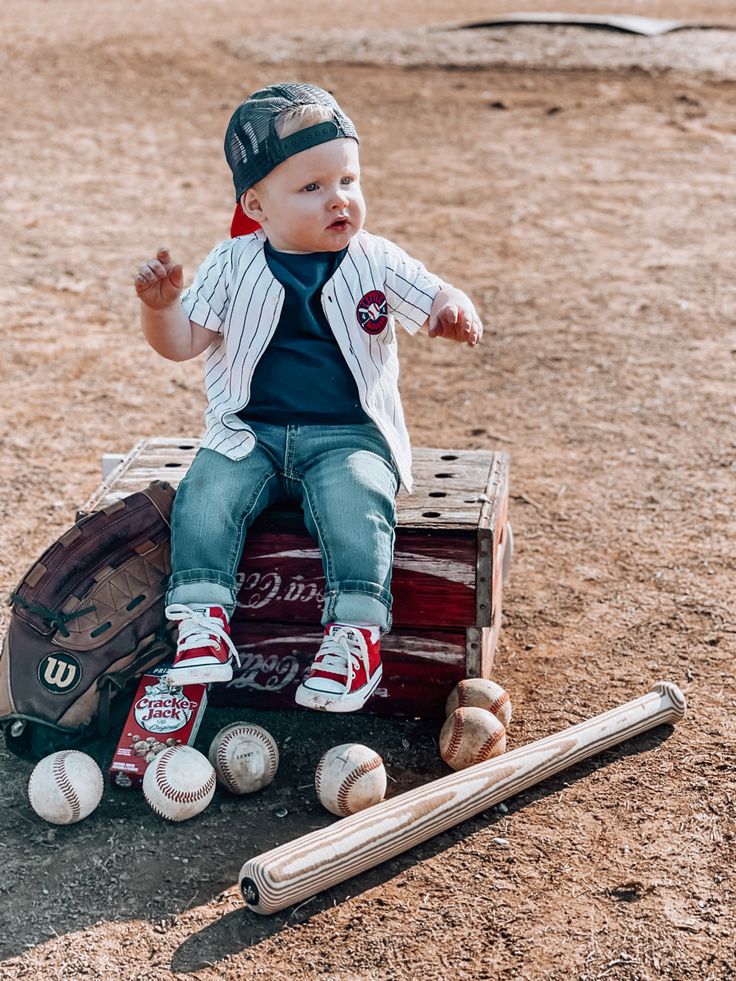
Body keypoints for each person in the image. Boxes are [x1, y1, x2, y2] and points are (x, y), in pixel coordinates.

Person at [135, 82, 483, 713]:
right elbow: (184, 341)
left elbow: (430, 292)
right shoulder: (231, 264)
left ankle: (355, 634)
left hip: (349, 434)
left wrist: (449, 308)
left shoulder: (374, 259)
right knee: (205, 497)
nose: (338, 200)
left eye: (347, 180)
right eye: (311, 188)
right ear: (256, 205)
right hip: (251, 432)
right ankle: (202, 623)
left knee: (358, 505)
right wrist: (160, 311)